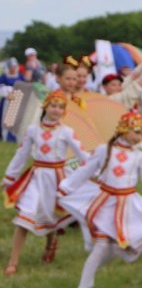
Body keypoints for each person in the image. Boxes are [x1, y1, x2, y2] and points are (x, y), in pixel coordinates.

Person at [57, 111, 142, 288]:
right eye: (136, 132)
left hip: (128, 206)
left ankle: (89, 276)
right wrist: (66, 187)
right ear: (124, 129)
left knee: (122, 249)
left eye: (141, 133)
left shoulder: (140, 157)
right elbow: (85, 170)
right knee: (101, 245)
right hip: (105, 203)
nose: (139, 137)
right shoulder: (104, 150)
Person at [3, 91, 86, 274]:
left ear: (64, 111)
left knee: (49, 216)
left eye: (60, 107)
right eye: (53, 106)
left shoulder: (66, 132)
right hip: (36, 176)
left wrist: (96, 170)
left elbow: (82, 154)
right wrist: (9, 177)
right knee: (25, 216)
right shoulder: (33, 130)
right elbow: (22, 154)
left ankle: (51, 242)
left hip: (56, 179)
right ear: (45, 106)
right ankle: (13, 261)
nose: (56, 110)